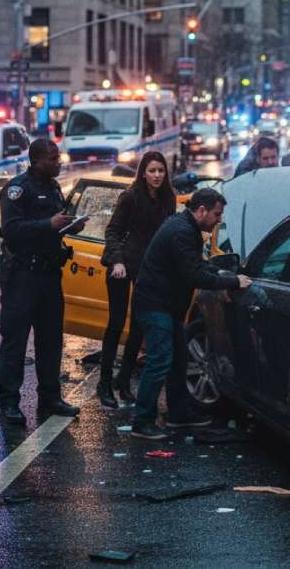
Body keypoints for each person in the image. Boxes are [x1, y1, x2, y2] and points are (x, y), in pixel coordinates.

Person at [130, 188, 251, 439]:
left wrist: (221, 273)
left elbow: (196, 265)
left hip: (166, 305)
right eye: (217, 214)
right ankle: (142, 421)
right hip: (155, 305)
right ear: (202, 210)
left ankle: (178, 414)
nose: (219, 220)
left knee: (178, 359)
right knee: (160, 360)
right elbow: (194, 275)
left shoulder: (186, 227)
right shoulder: (182, 232)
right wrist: (231, 282)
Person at [0, 138, 84, 425]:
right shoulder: (17, 189)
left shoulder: (54, 187)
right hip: (22, 275)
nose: (58, 163)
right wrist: (48, 225)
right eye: (52, 159)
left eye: (58, 158)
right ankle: (9, 402)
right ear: (36, 161)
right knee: (15, 341)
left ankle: (50, 397)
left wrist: (70, 225)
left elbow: (55, 227)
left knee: (51, 340)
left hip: (48, 274)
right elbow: (10, 230)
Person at [97, 150, 176, 408]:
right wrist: (117, 260)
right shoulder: (130, 197)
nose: (156, 176)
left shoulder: (168, 199)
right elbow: (113, 231)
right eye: (152, 171)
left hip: (150, 270)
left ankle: (123, 380)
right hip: (123, 266)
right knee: (116, 324)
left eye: (161, 171)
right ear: (143, 172)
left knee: (140, 327)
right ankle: (105, 383)